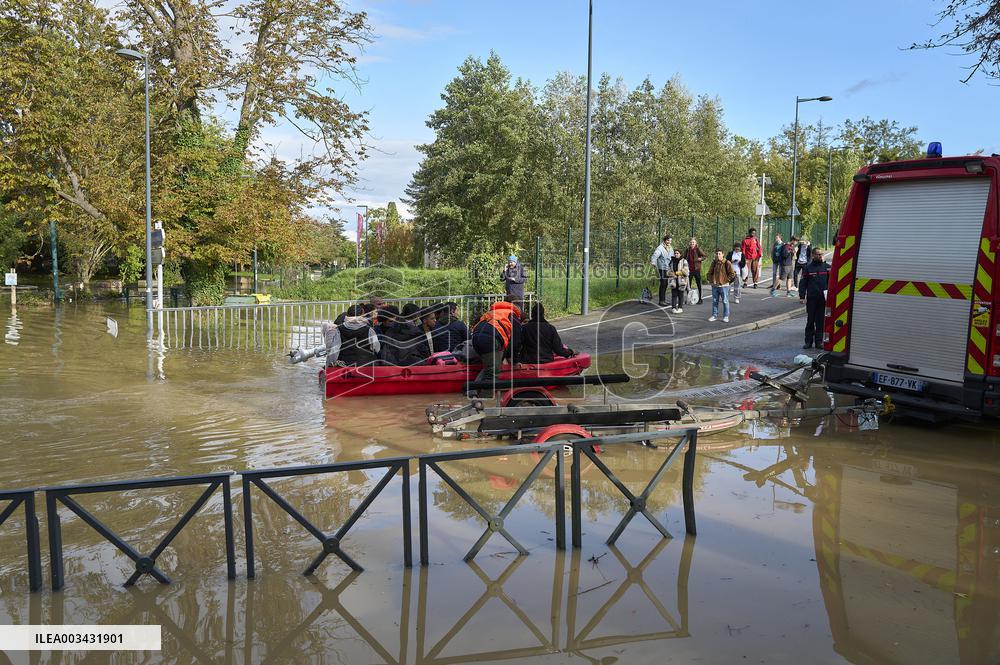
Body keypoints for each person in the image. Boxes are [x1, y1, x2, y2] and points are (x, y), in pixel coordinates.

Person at [471, 300, 522, 387]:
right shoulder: (512, 316)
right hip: (491, 339)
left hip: (475, 338)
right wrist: (515, 362)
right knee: (492, 372)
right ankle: (486, 398)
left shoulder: (494, 312)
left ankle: (472, 391)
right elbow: (515, 343)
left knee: (489, 368)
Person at [799, 247, 830, 349]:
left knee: (820, 321)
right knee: (810, 320)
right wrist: (802, 296)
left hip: (822, 299)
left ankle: (819, 342)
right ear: (813, 255)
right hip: (812, 298)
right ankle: (808, 341)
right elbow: (803, 283)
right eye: (818, 254)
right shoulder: (808, 268)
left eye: (821, 254)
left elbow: (831, 283)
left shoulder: (827, 267)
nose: (820, 256)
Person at [706, 249, 736, 323]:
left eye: (719, 254)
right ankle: (714, 315)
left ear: (723, 254)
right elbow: (709, 272)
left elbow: (732, 274)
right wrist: (711, 280)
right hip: (715, 286)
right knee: (714, 301)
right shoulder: (714, 263)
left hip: (724, 286)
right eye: (716, 254)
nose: (718, 255)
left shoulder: (727, 263)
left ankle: (726, 316)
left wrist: (726, 280)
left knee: (725, 301)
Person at [650, 234, 674, 306]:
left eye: (670, 241)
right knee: (663, 283)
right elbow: (655, 255)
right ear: (665, 240)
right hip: (662, 268)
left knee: (666, 284)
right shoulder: (660, 248)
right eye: (668, 240)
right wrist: (653, 262)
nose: (669, 242)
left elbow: (672, 257)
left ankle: (663, 300)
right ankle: (661, 301)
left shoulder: (670, 247)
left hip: (669, 268)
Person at [685, 238, 707, 304]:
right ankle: (689, 298)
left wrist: (700, 259)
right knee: (688, 285)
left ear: (696, 243)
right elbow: (684, 256)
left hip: (696, 269)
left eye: (693, 243)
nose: (692, 244)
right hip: (689, 269)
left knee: (698, 284)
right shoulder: (687, 250)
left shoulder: (698, 249)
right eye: (691, 243)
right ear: (689, 243)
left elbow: (705, 256)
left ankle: (700, 299)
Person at [668, 249, 689, 314]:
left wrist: (677, 273)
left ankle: (680, 308)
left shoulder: (684, 261)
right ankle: (673, 308)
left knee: (681, 295)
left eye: (677, 253)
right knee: (674, 295)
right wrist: (671, 274)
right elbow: (668, 271)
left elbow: (686, 272)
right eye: (675, 253)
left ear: (680, 254)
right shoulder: (671, 261)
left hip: (682, 280)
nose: (676, 254)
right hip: (673, 280)